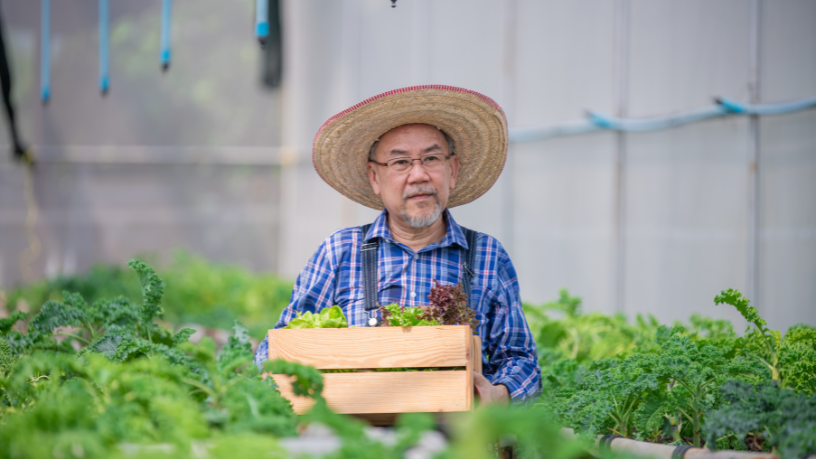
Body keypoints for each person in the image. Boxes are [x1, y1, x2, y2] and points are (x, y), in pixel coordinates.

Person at [254, 85, 541, 404]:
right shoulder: (341, 251)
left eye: (431, 158)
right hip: (355, 438)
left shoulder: (487, 255)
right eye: (401, 162)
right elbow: (278, 347)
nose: (419, 175)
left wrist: (499, 393)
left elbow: (522, 360)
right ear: (374, 178)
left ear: (453, 170)